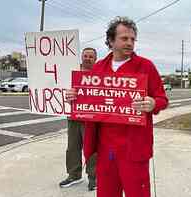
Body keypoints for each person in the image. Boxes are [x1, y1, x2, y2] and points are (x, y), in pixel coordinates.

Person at [66, 16, 168, 197]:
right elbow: (87, 100)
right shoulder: (99, 68)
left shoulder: (146, 66)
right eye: (124, 38)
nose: (130, 43)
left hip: (134, 149)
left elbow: (162, 99)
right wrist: (74, 97)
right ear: (111, 41)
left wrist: (153, 103)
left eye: (132, 39)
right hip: (106, 150)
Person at [59, 47, 98, 191]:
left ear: (95, 59)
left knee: (92, 149)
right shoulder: (71, 73)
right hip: (73, 116)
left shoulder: (99, 75)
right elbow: (62, 90)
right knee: (72, 147)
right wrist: (67, 96)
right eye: (85, 55)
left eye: (91, 56)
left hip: (91, 118)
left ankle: (94, 178)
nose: (87, 58)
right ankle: (74, 175)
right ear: (81, 57)